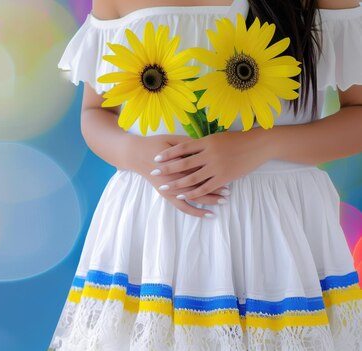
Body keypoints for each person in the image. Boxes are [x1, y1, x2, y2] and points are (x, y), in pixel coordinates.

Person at [48, 0, 362, 349]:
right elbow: (95, 113)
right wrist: (137, 154)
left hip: (274, 231)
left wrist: (262, 145)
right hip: (153, 232)